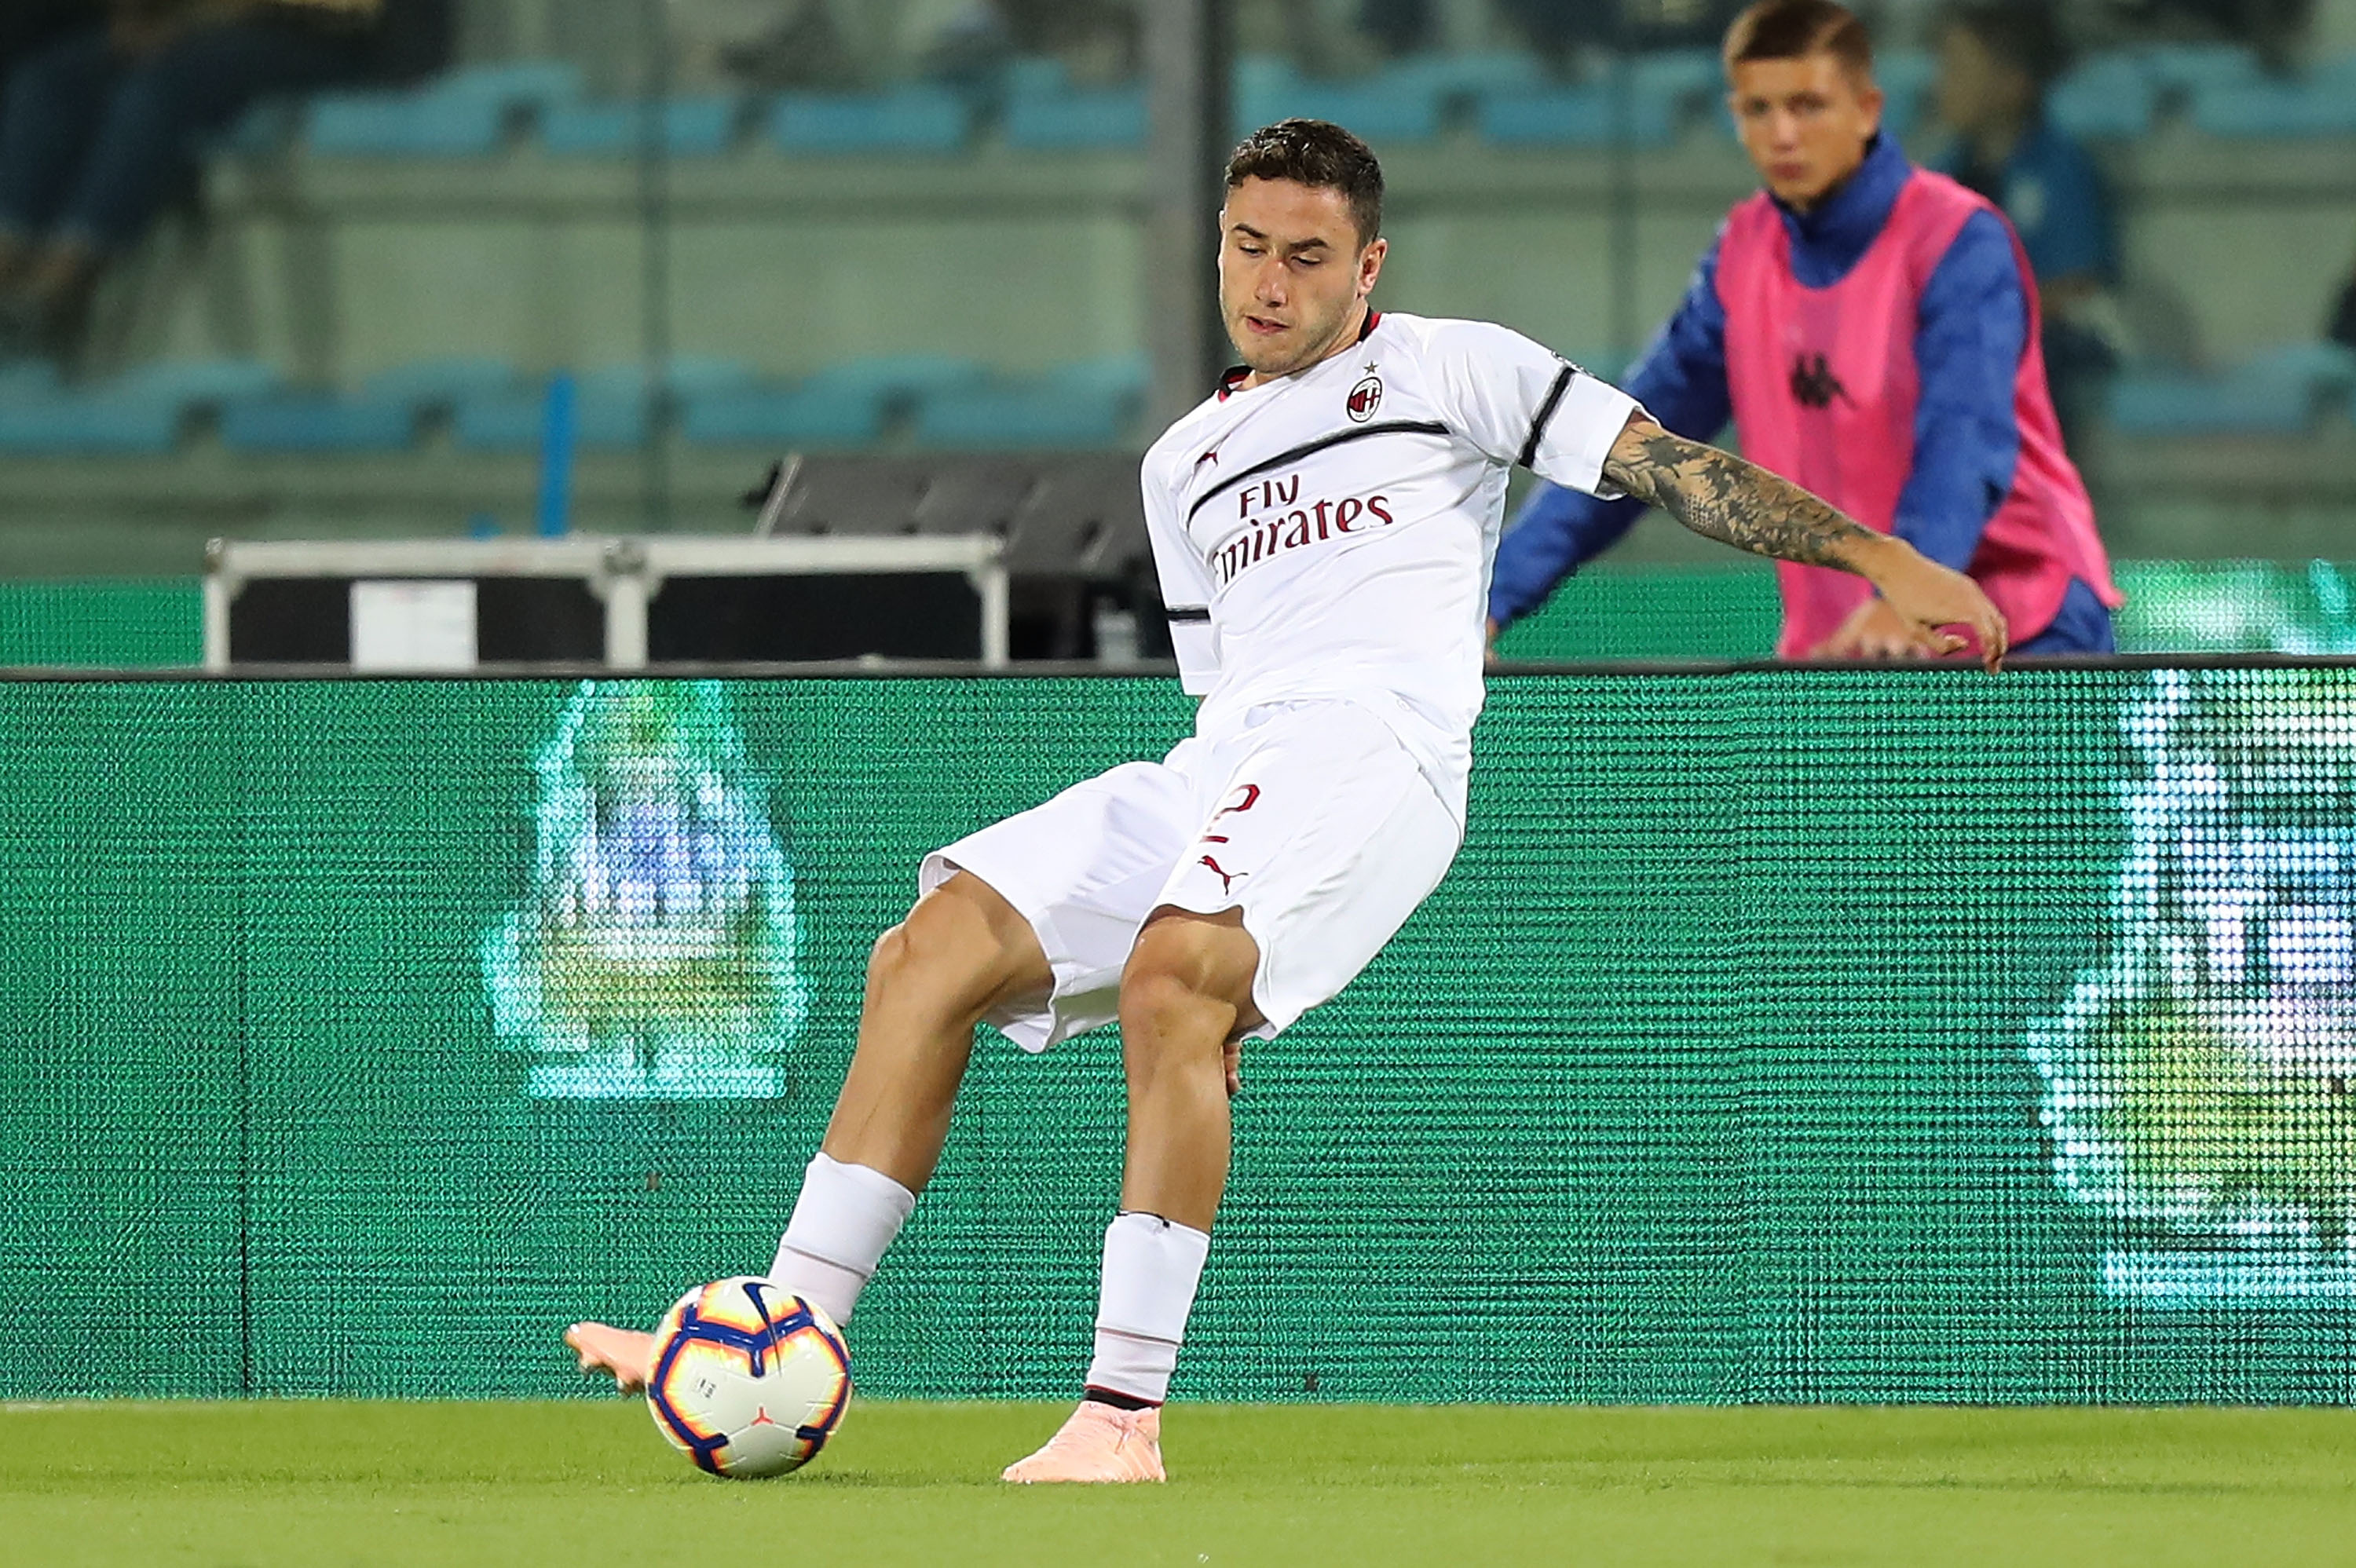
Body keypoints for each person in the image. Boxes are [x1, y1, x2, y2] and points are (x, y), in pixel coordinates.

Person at [565, 116, 2007, 1483]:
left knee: (1173, 974)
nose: (1269, 281)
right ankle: (780, 1338)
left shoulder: (1454, 366)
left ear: (1367, 265)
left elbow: (1669, 468)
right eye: (1247, 246)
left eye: (1307, 256)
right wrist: (1220, 915)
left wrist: (1882, 559)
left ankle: (1119, 1422)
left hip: (1380, 745)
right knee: (926, 952)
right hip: (1232, 758)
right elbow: (1226, 690)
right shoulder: (1179, 464)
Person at [1488, 0, 2121, 663]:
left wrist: (1906, 590)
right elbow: (1636, 450)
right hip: (1849, 651)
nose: (1783, 134)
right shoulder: (1741, 258)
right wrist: (1491, 602)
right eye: (1759, 110)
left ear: (1867, 110)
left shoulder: (1959, 241)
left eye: (1808, 105)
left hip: (2023, 635)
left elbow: (1963, 441)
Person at [0, 0, 443, 363]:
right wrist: (134, 18)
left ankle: (62, 285)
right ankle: (10, 261)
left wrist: (202, 21)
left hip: (324, 37)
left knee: (155, 92)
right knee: (48, 85)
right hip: (198, 28)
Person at [1930, 1, 2120, 451]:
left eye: (1959, 70)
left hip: (2050, 343)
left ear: (2012, 84)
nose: (1941, 85)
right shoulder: (1945, 173)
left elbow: (2077, 285)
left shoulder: (2060, 168)